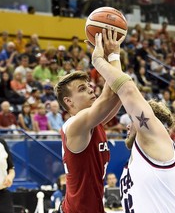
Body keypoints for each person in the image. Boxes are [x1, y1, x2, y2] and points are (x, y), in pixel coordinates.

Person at [91, 29, 175, 212]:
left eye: (133, 119)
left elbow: (128, 91)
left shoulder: (155, 136)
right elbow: (119, 90)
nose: (129, 124)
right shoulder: (141, 154)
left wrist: (98, 61)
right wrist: (114, 54)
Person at [54, 28, 123, 213]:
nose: (91, 90)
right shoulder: (76, 125)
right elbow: (115, 89)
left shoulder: (93, 122)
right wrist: (110, 57)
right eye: (82, 89)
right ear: (68, 102)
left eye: (89, 86)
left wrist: (111, 57)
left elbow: (118, 92)